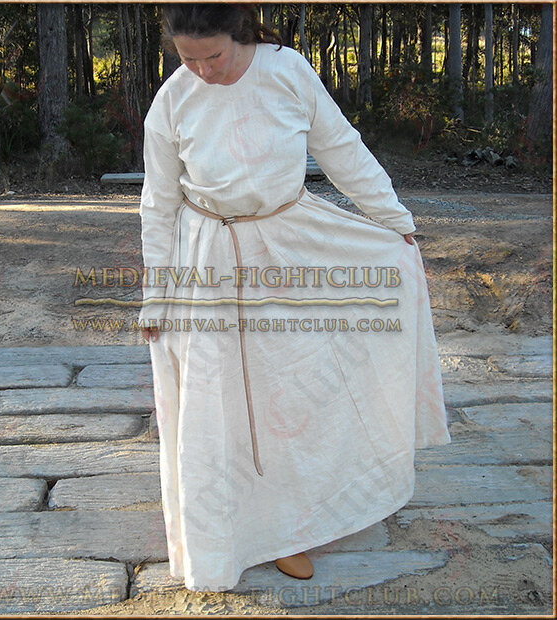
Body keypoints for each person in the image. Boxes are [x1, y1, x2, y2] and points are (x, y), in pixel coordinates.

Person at [138, 2, 451, 593]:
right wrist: (157, 292)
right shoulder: (173, 100)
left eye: (213, 56)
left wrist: (394, 221)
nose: (203, 70)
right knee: (221, 400)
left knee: (292, 392)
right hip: (207, 260)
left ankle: (294, 524)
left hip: (292, 247)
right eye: (188, 58)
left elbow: (343, 151)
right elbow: (158, 203)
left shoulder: (287, 71)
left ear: (238, 31)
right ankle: (228, 531)